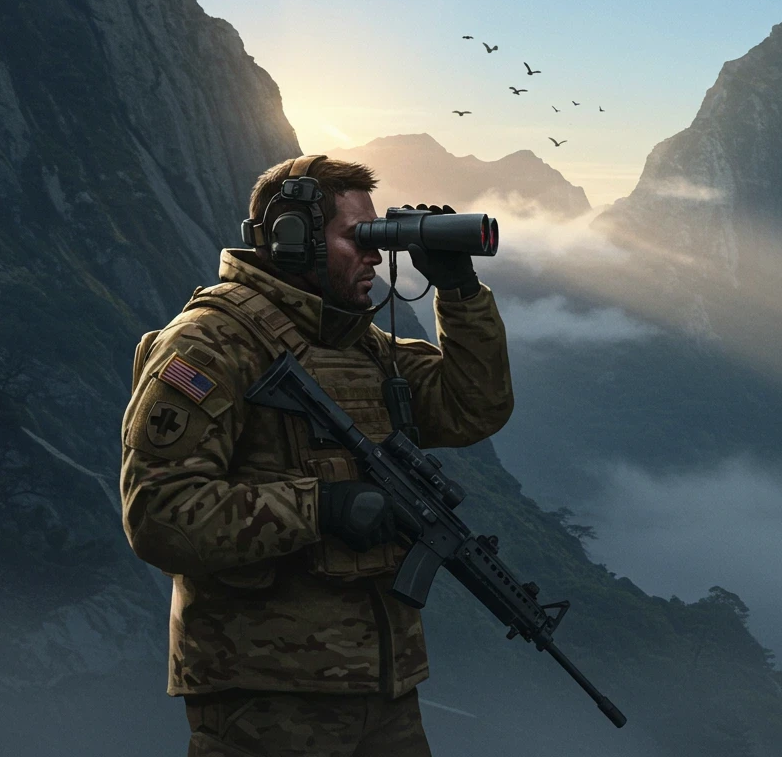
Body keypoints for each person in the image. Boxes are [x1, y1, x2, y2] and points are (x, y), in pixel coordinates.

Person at [119, 154, 513, 756]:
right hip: (264, 703)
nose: (375, 258)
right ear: (293, 241)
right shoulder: (210, 345)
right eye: (357, 239)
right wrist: (319, 507)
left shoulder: (363, 347)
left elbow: (474, 408)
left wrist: (459, 291)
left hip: (386, 696)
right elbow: (159, 515)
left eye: (378, 237)